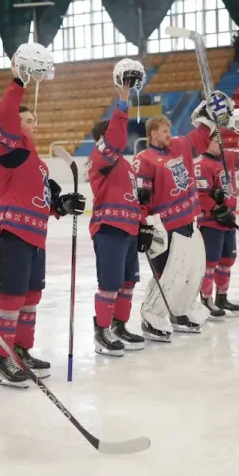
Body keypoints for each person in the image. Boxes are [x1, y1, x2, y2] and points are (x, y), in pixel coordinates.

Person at [0, 42, 85, 386]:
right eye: (27, 119)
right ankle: (1, 357)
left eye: (34, 119)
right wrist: (18, 82)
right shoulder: (8, 147)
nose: (34, 123)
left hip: (35, 236)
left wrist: (62, 205)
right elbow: (5, 115)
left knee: (31, 298)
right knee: (12, 298)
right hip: (13, 233)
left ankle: (21, 350)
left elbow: (44, 200)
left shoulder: (38, 164)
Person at [134, 99, 220, 338]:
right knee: (168, 274)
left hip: (189, 221)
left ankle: (179, 312)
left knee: (189, 273)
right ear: (153, 134)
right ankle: (152, 317)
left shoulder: (178, 147)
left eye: (170, 130)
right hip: (165, 226)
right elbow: (141, 198)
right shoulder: (144, 159)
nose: (169, 135)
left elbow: (198, 138)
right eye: (164, 132)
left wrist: (209, 118)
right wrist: (142, 225)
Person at [88, 59, 147, 356]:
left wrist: (144, 221)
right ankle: (102, 330)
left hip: (129, 227)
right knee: (109, 283)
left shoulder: (126, 164)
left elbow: (135, 197)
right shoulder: (101, 157)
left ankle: (120, 325)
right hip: (109, 228)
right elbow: (115, 136)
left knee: (128, 283)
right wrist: (123, 101)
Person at [195, 123, 239, 316]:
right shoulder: (201, 164)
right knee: (211, 262)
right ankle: (206, 299)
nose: (219, 144)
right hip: (211, 221)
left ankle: (222, 296)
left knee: (227, 259)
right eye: (215, 140)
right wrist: (217, 209)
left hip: (227, 219)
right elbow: (200, 195)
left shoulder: (223, 162)